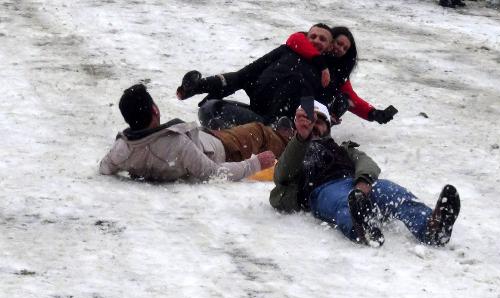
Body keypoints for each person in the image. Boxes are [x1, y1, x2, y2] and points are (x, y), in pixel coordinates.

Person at [269, 101, 461, 247]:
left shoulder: (342, 148)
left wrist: (363, 182)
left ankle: (432, 227)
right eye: (310, 122)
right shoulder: (295, 149)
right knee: (344, 203)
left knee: (393, 192)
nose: (314, 126)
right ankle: (362, 228)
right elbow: (281, 175)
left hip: (356, 182)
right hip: (322, 190)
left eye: (319, 122)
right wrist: (301, 138)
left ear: (328, 127)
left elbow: (366, 162)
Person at [99, 84, 291, 182]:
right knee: (258, 131)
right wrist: (255, 164)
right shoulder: (176, 146)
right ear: (155, 110)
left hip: (205, 138)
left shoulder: (122, 148)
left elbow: (105, 167)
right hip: (224, 148)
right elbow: (214, 173)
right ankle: (291, 140)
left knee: (221, 127)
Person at [175, 24, 334, 128]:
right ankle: (228, 139)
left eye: (322, 39)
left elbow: (317, 104)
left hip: (288, 125)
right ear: (305, 38)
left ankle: (274, 135)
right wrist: (202, 85)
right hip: (257, 118)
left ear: (329, 47)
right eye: (312, 37)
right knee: (210, 107)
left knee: (296, 85)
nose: (316, 41)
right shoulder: (285, 51)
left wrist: (322, 117)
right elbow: (244, 75)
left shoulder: (325, 74)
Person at [285, 27, 397, 124]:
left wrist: (373, 113)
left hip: (310, 107)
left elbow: (351, 98)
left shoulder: (338, 71)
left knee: (343, 100)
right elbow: (295, 38)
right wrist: (320, 63)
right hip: (288, 92)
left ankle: (317, 127)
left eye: (345, 49)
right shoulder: (315, 43)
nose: (340, 49)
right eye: (338, 43)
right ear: (330, 39)